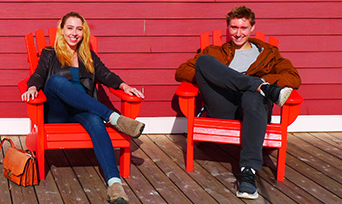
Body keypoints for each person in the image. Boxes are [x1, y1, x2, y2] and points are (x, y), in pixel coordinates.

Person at [175, 6, 301, 200]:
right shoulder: (215, 52)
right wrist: (228, 79)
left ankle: (248, 173)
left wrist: (260, 80)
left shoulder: (268, 53)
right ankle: (261, 87)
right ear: (228, 28)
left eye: (243, 27)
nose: (238, 33)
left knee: (252, 95)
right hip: (223, 105)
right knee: (203, 62)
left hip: (253, 107)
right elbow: (182, 71)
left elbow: (293, 78)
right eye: (234, 27)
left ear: (252, 28)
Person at [21, 12, 146, 204]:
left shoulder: (87, 55)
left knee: (95, 120)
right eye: (70, 28)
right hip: (58, 112)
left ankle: (115, 185)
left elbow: (105, 74)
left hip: (82, 110)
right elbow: (38, 75)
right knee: (55, 81)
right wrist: (32, 87)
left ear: (83, 32)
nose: (74, 33)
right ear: (62, 30)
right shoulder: (49, 53)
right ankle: (113, 118)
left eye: (79, 29)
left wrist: (124, 86)